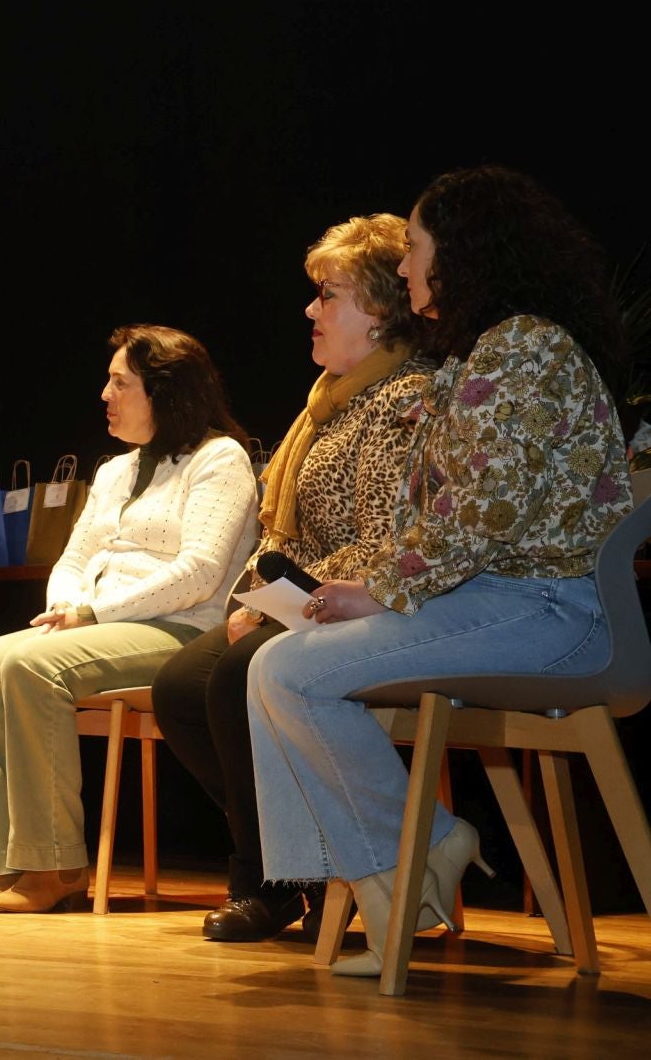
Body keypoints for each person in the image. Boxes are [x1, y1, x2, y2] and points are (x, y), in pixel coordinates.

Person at [247, 165, 631, 976]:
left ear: (460, 252)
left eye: (416, 247)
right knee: (279, 667)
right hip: (496, 599)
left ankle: (413, 865)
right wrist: (375, 586)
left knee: (288, 674)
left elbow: (485, 516)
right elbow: (437, 520)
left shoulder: (524, 347)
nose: (409, 266)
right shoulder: (487, 350)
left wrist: (381, 590)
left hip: (550, 612)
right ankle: (399, 885)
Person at [152, 216, 431, 941]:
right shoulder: (325, 403)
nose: (311, 310)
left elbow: (387, 543)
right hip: (301, 596)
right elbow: (283, 531)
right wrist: (255, 595)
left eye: (327, 294)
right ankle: (301, 861)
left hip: (372, 605)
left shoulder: (408, 399)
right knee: (181, 688)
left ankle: (271, 881)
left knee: (236, 674)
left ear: (379, 310)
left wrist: (287, 601)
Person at [0, 325, 259, 913]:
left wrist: (93, 612)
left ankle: (58, 866)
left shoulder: (218, 458)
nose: (105, 393)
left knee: (28, 666)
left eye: (120, 383)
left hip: (183, 628)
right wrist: (66, 607)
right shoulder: (114, 471)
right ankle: (14, 862)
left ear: (165, 392)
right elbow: (76, 556)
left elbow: (199, 572)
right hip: (102, 625)